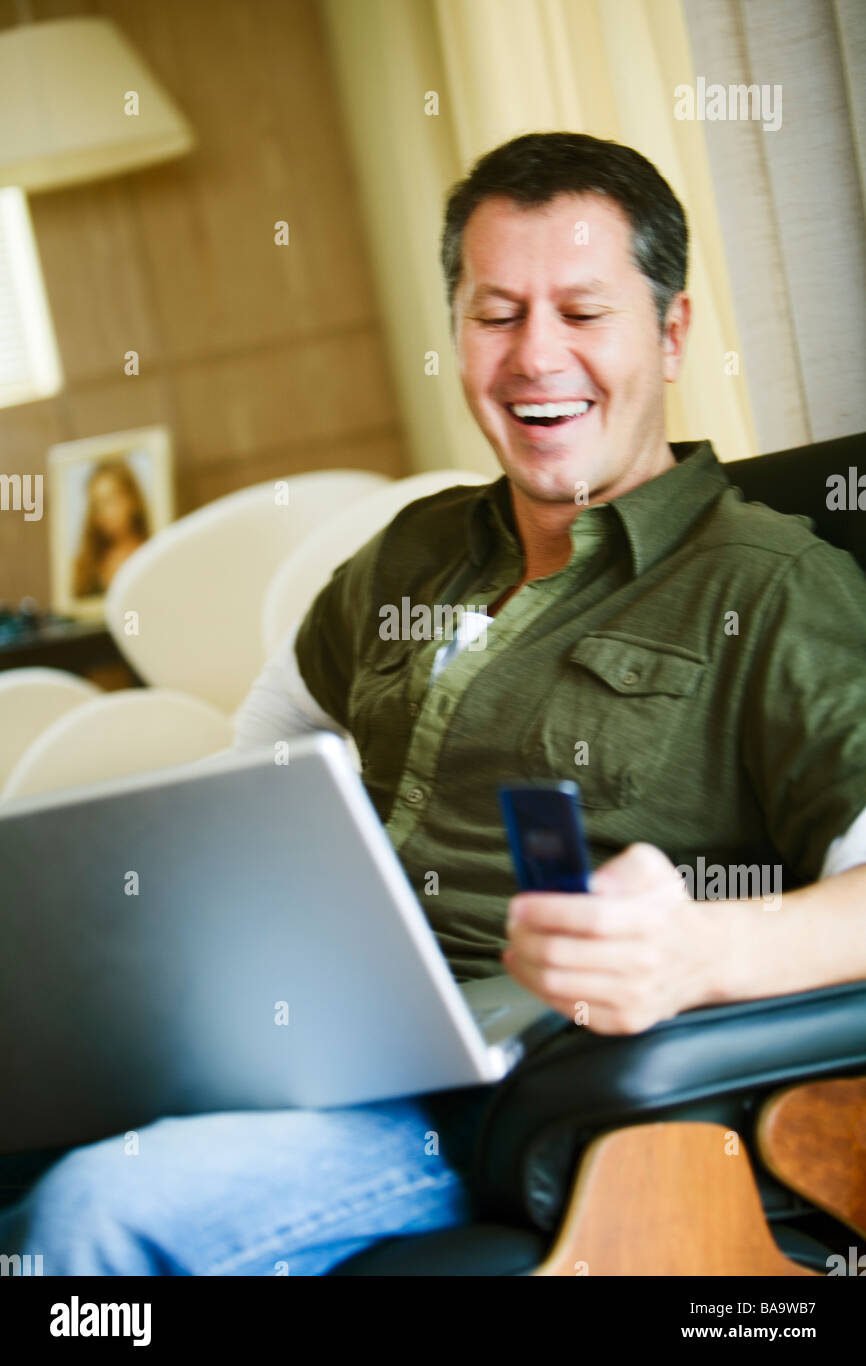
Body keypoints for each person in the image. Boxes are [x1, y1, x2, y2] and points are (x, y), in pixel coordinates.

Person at [1, 132, 864, 1276]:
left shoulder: (771, 583)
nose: (534, 356)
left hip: (504, 1097)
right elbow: (250, 775)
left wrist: (699, 949)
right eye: (496, 314)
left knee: (96, 1219)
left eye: (582, 311)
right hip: (311, 1043)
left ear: (669, 333)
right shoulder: (412, 550)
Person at [72, 458, 151, 599]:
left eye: (112, 500)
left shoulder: (152, 549)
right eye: (98, 505)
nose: (106, 513)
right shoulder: (86, 565)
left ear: (132, 499)